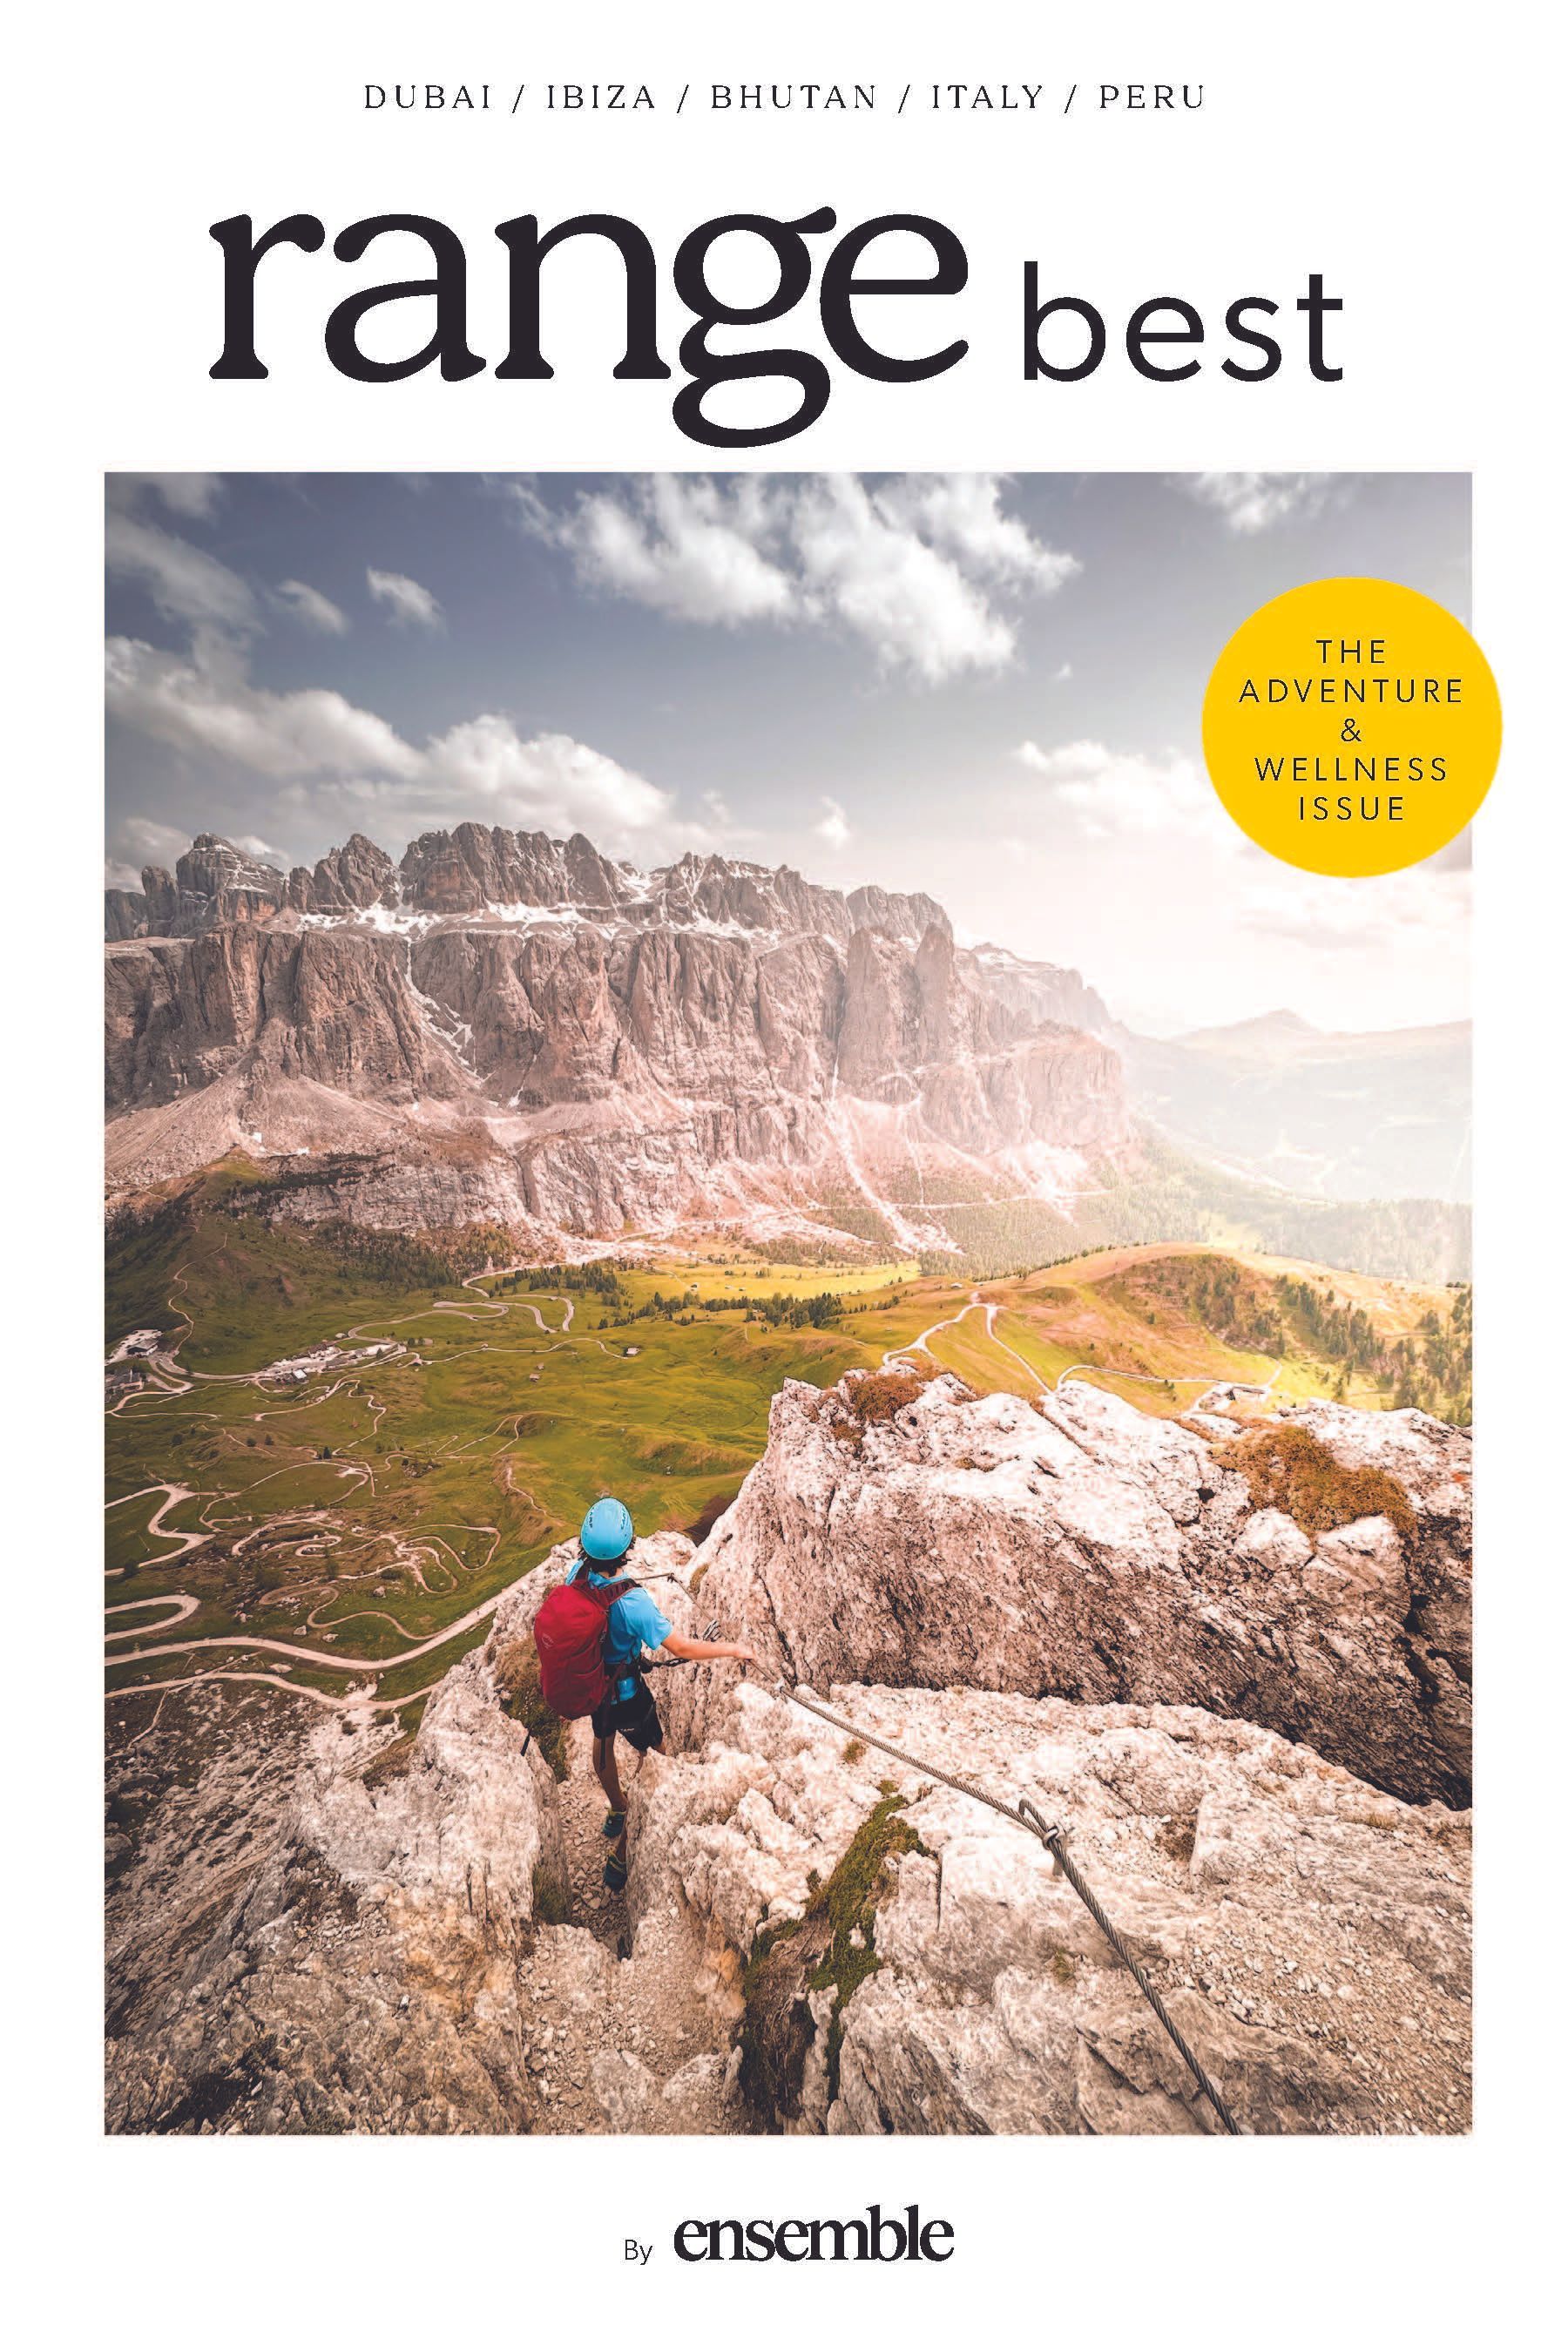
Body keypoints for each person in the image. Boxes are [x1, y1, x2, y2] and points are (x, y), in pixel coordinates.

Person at [575, 1496, 755, 1892]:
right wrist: (733, 1649)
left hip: (593, 1690)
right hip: (627, 1696)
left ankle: (618, 1808)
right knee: (655, 1759)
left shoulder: (576, 1575)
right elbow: (683, 1649)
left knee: (602, 1746)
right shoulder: (634, 1602)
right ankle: (622, 1853)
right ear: (628, 1546)